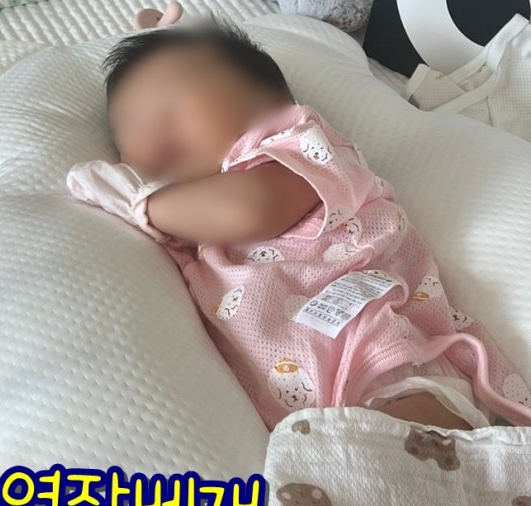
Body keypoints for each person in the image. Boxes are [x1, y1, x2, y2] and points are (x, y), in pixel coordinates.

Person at [67, 19, 531, 431]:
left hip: (383, 357)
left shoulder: (298, 150)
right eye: (127, 132)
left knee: (413, 449)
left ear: (265, 101)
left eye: (168, 108)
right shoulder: (193, 234)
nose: (148, 134)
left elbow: (252, 208)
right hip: (306, 420)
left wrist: (142, 204)